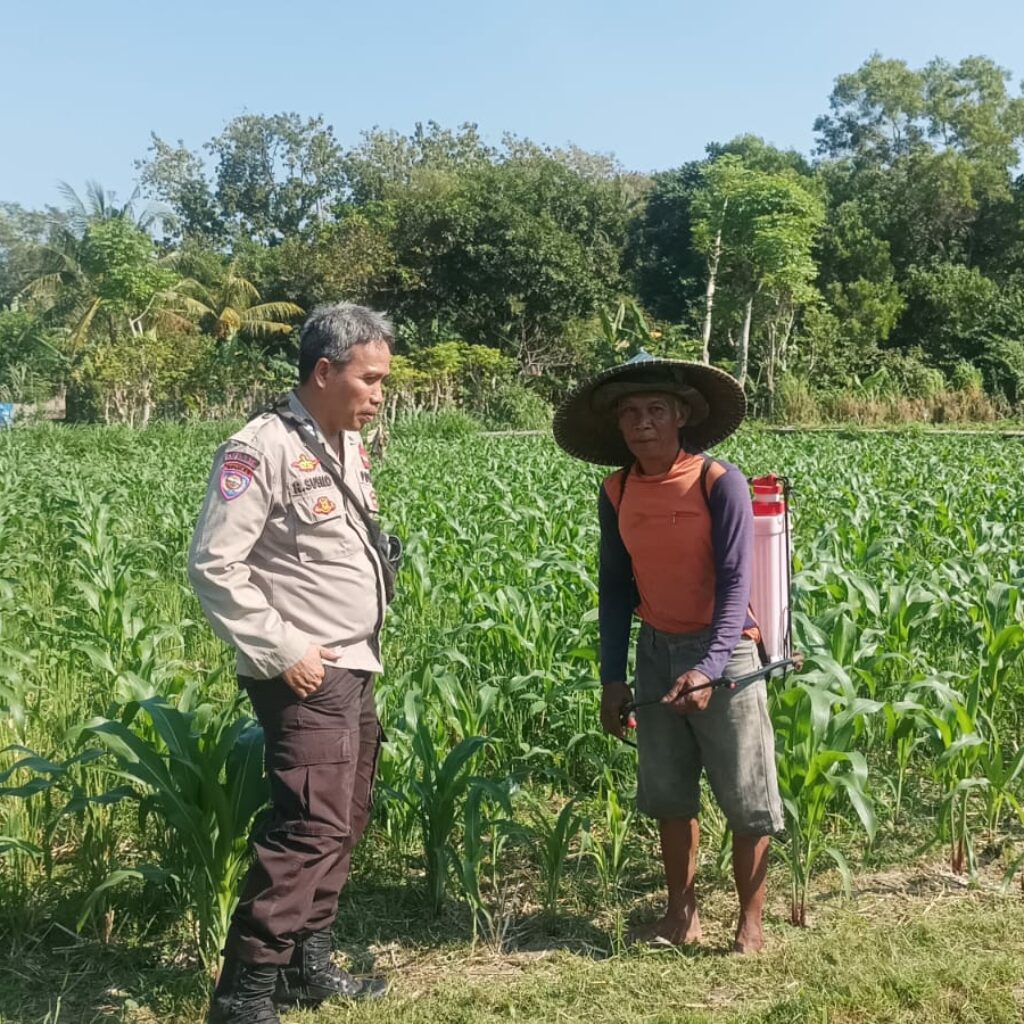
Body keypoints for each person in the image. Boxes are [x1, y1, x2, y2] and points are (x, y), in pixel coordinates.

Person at [188, 302, 394, 1023]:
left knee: (344, 818)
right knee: (308, 826)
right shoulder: (259, 448)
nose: (380, 394)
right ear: (324, 371)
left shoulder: (343, 442)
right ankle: (244, 993)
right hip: (307, 671)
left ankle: (307, 964)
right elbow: (215, 565)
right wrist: (284, 650)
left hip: (355, 663)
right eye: (370, 380)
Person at [552, 353, 784, 953]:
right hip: (655, 648)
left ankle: (751, 924)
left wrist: (709, 667)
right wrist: (612, 676)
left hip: (727, 651)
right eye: (629, 412)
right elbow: (614, 586)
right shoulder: (618, 489)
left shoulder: (718, 482)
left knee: (747, 795)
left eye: (656, 409)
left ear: (682, 415)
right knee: (669, 792)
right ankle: (681, 915)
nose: (642, 423)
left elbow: (736, 583)